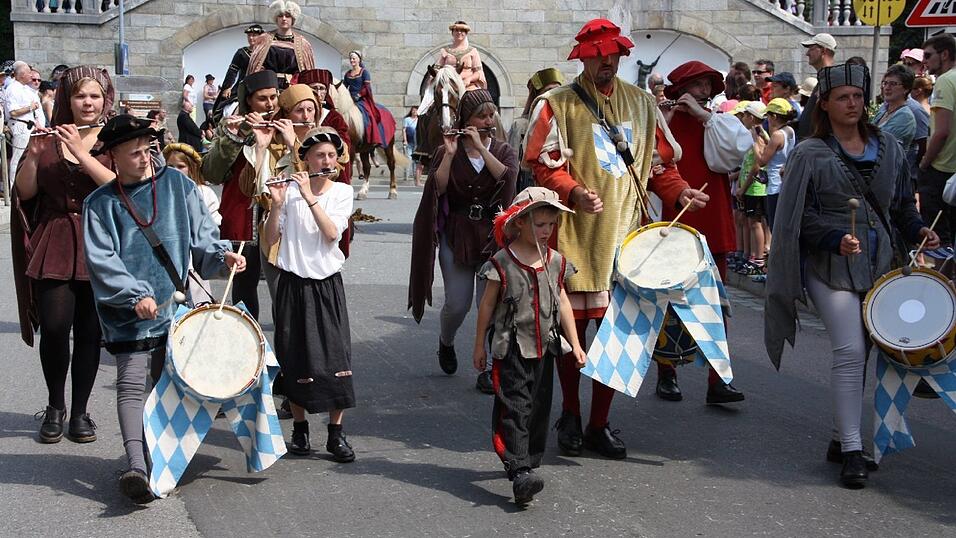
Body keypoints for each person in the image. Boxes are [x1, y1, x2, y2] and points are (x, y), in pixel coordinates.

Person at [522, 19, 706, 459]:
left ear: (622, 55)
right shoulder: (558, 104)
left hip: (626, 238)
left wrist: (681, 192)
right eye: (596, 55)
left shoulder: (643, 104)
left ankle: (599, 422)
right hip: (572, 236)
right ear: (583, 57)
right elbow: (543, 166)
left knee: (618, 335)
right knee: (572, 335)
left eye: (612, 54)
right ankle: (569, 411)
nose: (605, 62)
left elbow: (659, 169)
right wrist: (573, 192)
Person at [765, 64, 939, 489]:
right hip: (829, 265)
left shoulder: (891, 148)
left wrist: (919, 230)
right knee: (849, 348)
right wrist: (833, 237)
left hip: (880, 261)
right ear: (824, 103)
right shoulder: (809, 152)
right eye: (843, 97)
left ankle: (842, 436)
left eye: (858, 97)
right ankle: (851, 450)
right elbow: (794, 219)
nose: (852, 104)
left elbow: (901, 206)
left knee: (876, 351)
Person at [83, 114, 246, 504]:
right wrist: (132, 294)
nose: (144, 158)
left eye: (148, 150)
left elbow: (204, 237)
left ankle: (161, 455)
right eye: (134, 153)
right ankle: (136, 465)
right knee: (131, 383)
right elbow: (102, 260)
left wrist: (221, 258)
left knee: (169, 385)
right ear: (113, 158)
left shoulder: (177, 184)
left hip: (176, 306)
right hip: (130, 313)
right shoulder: (99, 203)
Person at [11, 66, 116, 445]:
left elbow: (120, 188)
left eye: (94, 96)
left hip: (101, 242)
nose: (87, 103)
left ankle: (81, 412)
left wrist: (78, 150)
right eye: (79, 96)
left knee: (89, 334)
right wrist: (33, 153)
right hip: (55, 236)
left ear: (106, 98)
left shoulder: (115, 140)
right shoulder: (46, 138)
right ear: (66, 100)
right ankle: (55, 406)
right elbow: (24, 192)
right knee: (55, 328)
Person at [473, 186, 586, 505]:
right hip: (510, 349)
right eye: (540, 224)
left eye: (551, 224)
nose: (546, 231)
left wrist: (576, 344)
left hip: (545, 348)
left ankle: (528, 460)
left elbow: (563, 301)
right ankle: (519, 469)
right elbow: (486, 306)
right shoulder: (502, 262)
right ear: (519, 222)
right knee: (516, 406)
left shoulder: (557, 261)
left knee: (538, 406)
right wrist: (479, 345)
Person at [408, 89, 518, 394]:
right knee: (458, 304)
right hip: (456, 234)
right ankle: (446, 341)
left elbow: (507, 179)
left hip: (492, 235)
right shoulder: (448, 151)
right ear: (465, 120)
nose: (487, 120)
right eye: (480, 116)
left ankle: (488, 368)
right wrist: (451, 154)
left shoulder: (503, 150)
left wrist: (483, 149)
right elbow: (438, 188)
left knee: (492, 303)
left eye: (490, 114)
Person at [657, 60, 751, 404]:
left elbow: (730, 157)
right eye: (697, 85)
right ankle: (667, 372)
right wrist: (665, 117)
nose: (705, 92)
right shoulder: (662, 121)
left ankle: (718, 378)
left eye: (708, 86)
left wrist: (705, 115)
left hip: (713, 219)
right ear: (680, 89)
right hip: (673, 219)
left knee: (717, 302)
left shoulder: (718, 123)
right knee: (669, 301)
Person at [263, 127, 356, 462]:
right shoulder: (288, 192)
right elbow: (271, 238)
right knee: (294, 357)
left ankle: (336, 434)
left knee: (336, 358)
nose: (326, 160)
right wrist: (276, 205)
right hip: (292, 283)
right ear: (304, 158)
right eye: (319, 155)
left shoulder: (343, 192)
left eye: (331, 155)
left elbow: (332, 234)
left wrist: (308, 196)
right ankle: (299, 431)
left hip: (326, 283)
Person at [202, 69, 280, 321]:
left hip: (278, 215)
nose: (270, 104)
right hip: (240, 217)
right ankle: (247, 349)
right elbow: (212, 172)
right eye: (262, 99)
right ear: (249, 101)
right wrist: (236, 136)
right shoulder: (233, 127)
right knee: (243, 288)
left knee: (283, 290)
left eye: (273, 97)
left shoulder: (284, 125)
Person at [163, 142, 222, 304]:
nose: (175, 171)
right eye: (170, 166)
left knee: (197, 312)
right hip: (168, 265)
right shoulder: (159, 194)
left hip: (194, 267)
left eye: (180, 166)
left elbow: (209, 232)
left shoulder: (204, 193)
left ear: (191, 168)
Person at [919, 34, 956, 248]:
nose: (925, 60)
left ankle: (938, 282)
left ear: (944, 54)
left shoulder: (944, 81)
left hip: (941, 170)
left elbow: (941, 131)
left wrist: (924, 163)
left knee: (936, 237)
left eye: (928, 55)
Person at [291, 68, 353, 185]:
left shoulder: (334, 117)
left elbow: (344, 147)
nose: (318, 94)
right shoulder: (294, 115)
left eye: (322, 89)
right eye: (314, 89)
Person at [508, 68, 564, 193]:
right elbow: (512, 165)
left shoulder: (566, 124)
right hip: (529, 184)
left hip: (558, 182)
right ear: (537, 95)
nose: (554, 95)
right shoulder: (521, 126)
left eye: (558, 90)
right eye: (549, 90)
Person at [733, 101, 769, 279]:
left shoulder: (758, 138)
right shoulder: (752, 136)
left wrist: (743, 187)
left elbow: (757, 165)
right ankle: (750, 255)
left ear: (753, 118)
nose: (744, 118)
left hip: (755, 188)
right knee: (749, 222)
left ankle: (758, 259)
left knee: (755, 223)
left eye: (746, 115)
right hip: (748, 187)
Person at [247, 0, 316, 86]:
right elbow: (256, 66)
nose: (284, 19)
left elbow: (306, 72)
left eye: (287, 16)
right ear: (276, 19)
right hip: (268, 85)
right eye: (280, 16)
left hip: (294, 87)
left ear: (292, 19)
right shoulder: (264, 39)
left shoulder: (303, 43)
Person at [754, 98, 796, 232]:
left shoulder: (777, 135)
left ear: (775, 116)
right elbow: (779, 150)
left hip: (775, 185)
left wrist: (754, 142)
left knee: (775, 227)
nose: (768, 119)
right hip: (786, 182)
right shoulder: (789, 130)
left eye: (769, 116)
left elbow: (762, 161)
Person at [5, 61, 43, 186]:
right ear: (21, 74)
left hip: (29, 126)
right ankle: (12, 188)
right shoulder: (13, 89)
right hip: (20, 125)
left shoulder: (25, 89)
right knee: (18, 158)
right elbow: (13, 112)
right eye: (28, 73)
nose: (31, 76)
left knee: (27, 158)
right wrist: (30, 107)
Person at [343, 50, 387, 148]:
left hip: (361, 99)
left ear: (359, 59)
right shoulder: (347, 74)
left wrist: (358, 95)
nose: (352, 60)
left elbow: (366, 88)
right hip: (350, 99)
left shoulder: (364, 72)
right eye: (351, 58)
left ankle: (371, 137)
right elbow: (344, 87)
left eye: (354, 58)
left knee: (367, 115)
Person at [797, 33, 837, 140]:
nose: (807, 53)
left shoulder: (831, 81)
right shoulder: (824, 79)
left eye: (811, 48)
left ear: (823, 51)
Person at [872, 65, 917, 152]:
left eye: (893, 84)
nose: (887, 88)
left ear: (906, 89)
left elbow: (881, 146)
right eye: (885, 83)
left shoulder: (905, 116)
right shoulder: (884, 110)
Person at [435, 21, 486, 91]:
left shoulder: (473, 51)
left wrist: (469, 79)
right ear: (452, 33)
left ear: (466, 33)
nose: (459, 32)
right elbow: (437, 69)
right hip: (448, 87)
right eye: (456, 30)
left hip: (469, 87)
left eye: (462, 31)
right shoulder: (444, 51)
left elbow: (478, 72)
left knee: (483, 99)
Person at [221, 25, 262, 100]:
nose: (251, 38)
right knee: (227, 107)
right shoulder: (241, 52)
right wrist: (228, 87)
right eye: (249, 35)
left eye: (254, 35)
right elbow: (232, 71)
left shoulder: (267, 52)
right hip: (244, 86)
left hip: (263, 85)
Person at [402, 106, 422, 184]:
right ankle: (406, 176)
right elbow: (404, 130)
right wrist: (405, 140)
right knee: (409, 158)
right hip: (409, 141)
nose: (414, 112)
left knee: (416, 160)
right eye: (413, 110)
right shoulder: (407, 120)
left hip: (417, 142)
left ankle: (415, 176)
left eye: (416, 110)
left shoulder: (419, 120)